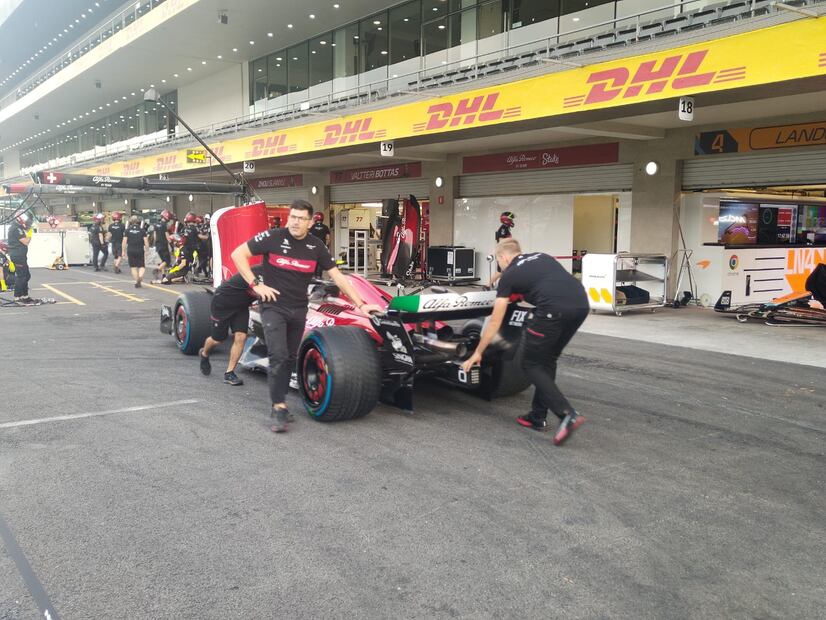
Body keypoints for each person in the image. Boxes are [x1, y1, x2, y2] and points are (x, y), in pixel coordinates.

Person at [230, 199, 384, 433]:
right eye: (293, 217)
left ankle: (279, 400)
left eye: (301, 219)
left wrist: (361, 304)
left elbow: (338, 277)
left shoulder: (316, 246)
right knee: (278, 355)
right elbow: (238, 254)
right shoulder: (273, 237)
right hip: (273, 307)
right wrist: (255, 284)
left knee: (290, 358)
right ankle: (279, 407)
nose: (295, 222)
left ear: (310, 222)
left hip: (299, 309)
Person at [463, 238, 589, 446]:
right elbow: (549, 284)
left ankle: (567, 414)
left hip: (552, 311)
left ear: (503, 257)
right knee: (548, 360)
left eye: (498, 261)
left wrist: (478, 352)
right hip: (581, 306)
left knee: (531, 364)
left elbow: (495, 320)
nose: (500, 265)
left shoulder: (509, 275)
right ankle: (537, 416)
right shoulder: (542, 257)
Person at [197, 265, 265, 386]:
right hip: (223, 302)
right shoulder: (256, 272)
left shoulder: (278, 278)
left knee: (241, 337)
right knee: (218, 339)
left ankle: (229, 373)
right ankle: (204, 353)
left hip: (241, 306)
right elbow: (259, 290)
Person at [6, 211, 34, 304]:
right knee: (21, 276)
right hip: (18, 256)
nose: (28, 223)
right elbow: (26, 241)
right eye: (27, 221)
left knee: (26, 275)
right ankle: (17, 297)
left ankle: (24, 296)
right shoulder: (16, 228)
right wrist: (30, 234)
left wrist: (28, 229)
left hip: (21, 255)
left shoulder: (18, 227)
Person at [490, 211, 516, 287]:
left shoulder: (506, 228)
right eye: (510, 219)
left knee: (504, 271)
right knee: (501, 271)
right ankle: (488, 285)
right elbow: (501, 241)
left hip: (505, 252)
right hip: (502, 253)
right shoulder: (503, 228)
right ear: (506, 220)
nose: (512, 221)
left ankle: (501, 285)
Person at [123, 215, 148, 287]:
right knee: (141, 266)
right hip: (140, 250)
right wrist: (147, 250)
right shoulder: (142, 230)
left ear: (130, 222)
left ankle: (137, 280)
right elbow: (146, 242)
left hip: (130, 250)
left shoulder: (127, 230)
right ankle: (140, 276)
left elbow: (124, 242)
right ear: (138, 222)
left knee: (133, 267)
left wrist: (123, 251)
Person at [151, 209, 173, 278]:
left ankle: (163, 275)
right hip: (163, 245)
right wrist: (172, 245)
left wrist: (156, 243)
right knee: (167, 261)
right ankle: (157, 270)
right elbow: (167, 236)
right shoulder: (164, 225)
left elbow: (155, 236)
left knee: (163, 260)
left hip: (158, 245)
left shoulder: (156, 224)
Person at [309, 212, 331, 277]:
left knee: (313, 264)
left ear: (315, 218)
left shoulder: (312, 227)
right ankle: (319, 277)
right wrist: (327, 247)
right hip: (321, 248)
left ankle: (313, 277)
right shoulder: (325, 227)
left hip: (313, 248)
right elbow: (328, 239)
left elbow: (308, 237)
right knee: (320, 264)